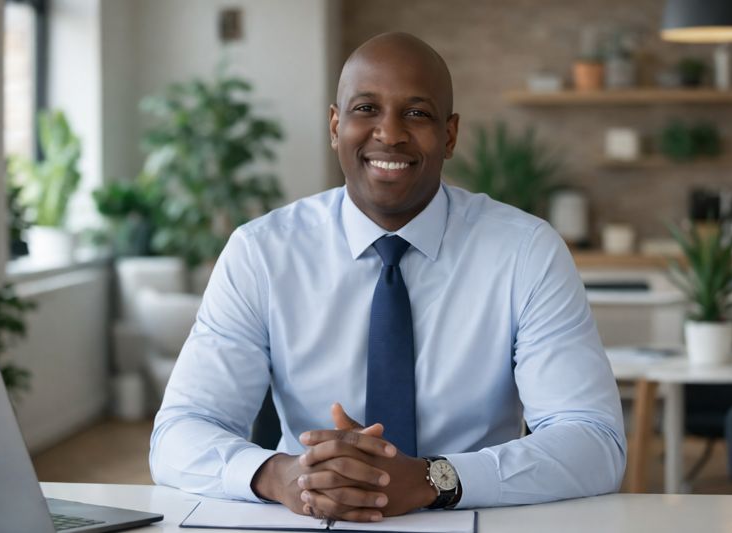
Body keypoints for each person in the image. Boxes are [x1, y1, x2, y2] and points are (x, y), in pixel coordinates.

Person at [150, 32, 626, 523]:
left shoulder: (526, 252)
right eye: (366, 109)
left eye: (416, 113)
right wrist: (283, 475)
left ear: (450, 135)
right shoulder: (262, 253)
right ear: (336, 126)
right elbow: (179, 434)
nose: (390, 133)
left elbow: (595, 442)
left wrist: (432, 480)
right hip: (309, 518)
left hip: (477, 516)